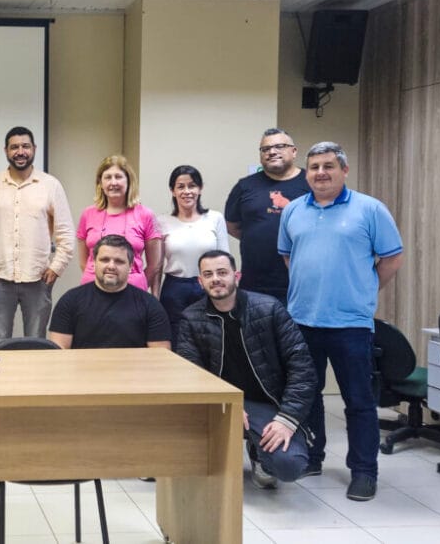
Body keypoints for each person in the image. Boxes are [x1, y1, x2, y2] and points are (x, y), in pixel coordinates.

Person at [279, 141, 404, 502]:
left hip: (351, 324)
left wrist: (363, 290)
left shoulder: (370, 209)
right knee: (308, 396)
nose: (321, 173)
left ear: (344, 170)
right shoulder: (293, 211)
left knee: (358, 401)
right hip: (303, 320)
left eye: (328, 166)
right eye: (314, 167)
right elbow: (289, 257)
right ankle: (312, 457)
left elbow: (392, 259)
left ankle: (364, 471)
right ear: (307, 173)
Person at [176, 250, 316, 490]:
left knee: (289, 465)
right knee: (182, 459)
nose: (215, 279)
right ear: (200, 281)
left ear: (236, 276)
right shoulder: (191, 318)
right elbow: (191, 373)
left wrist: (287, 419)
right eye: (208, 275)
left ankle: (259, 453)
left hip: (266, 403)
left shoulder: (269, 309)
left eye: (222, 272)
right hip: (220, 402)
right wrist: (222, 403)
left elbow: (302, 369)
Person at [0, 126, 75, 346]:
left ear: (34, 149)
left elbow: (66, 233)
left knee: (36, 342)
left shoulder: (51, 185)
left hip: (38, 279)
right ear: (6, 151)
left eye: (25, 146)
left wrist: (56, 267)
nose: (20, 152)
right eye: (14, 147)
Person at [223, 128, 310, 302]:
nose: (272, 152)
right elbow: (232, 226)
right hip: (255, 286)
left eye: (279, 146)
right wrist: (258, 237)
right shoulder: (245, 186)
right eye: (266, 149)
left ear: (294, 151)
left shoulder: (311, 183)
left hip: (302, 282)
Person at [48, 235, 171, 350]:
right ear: (94, 263)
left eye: (119, 261)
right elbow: (59, 354)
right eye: (105, 260)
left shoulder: (150, 305)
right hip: (84, 367)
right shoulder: (70, 302)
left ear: (130, 266)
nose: (111, 266)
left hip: (132, 367)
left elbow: (161, 357)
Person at [156, 165, 229, 333]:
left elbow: (225, 259)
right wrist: (155, 295)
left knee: (210, 335)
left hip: (208, 285)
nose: (187, 191)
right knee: (176, 337)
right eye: (181, 187)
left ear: (200, 189)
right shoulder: (162, 222)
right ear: (173, 191)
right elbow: (157, 266)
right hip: (174, 288)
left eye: (192, 186)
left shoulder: (215, 218)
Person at [76, 155, 162, 292]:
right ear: (100, 183)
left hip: (133, 291)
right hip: (92, 290)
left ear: (129, 181)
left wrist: (138, 286)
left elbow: (154, 264)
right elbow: (84, 262)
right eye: (108, 177)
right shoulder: (88, 214)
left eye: (118, 177)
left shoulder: (145, 215)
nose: (113, 182)